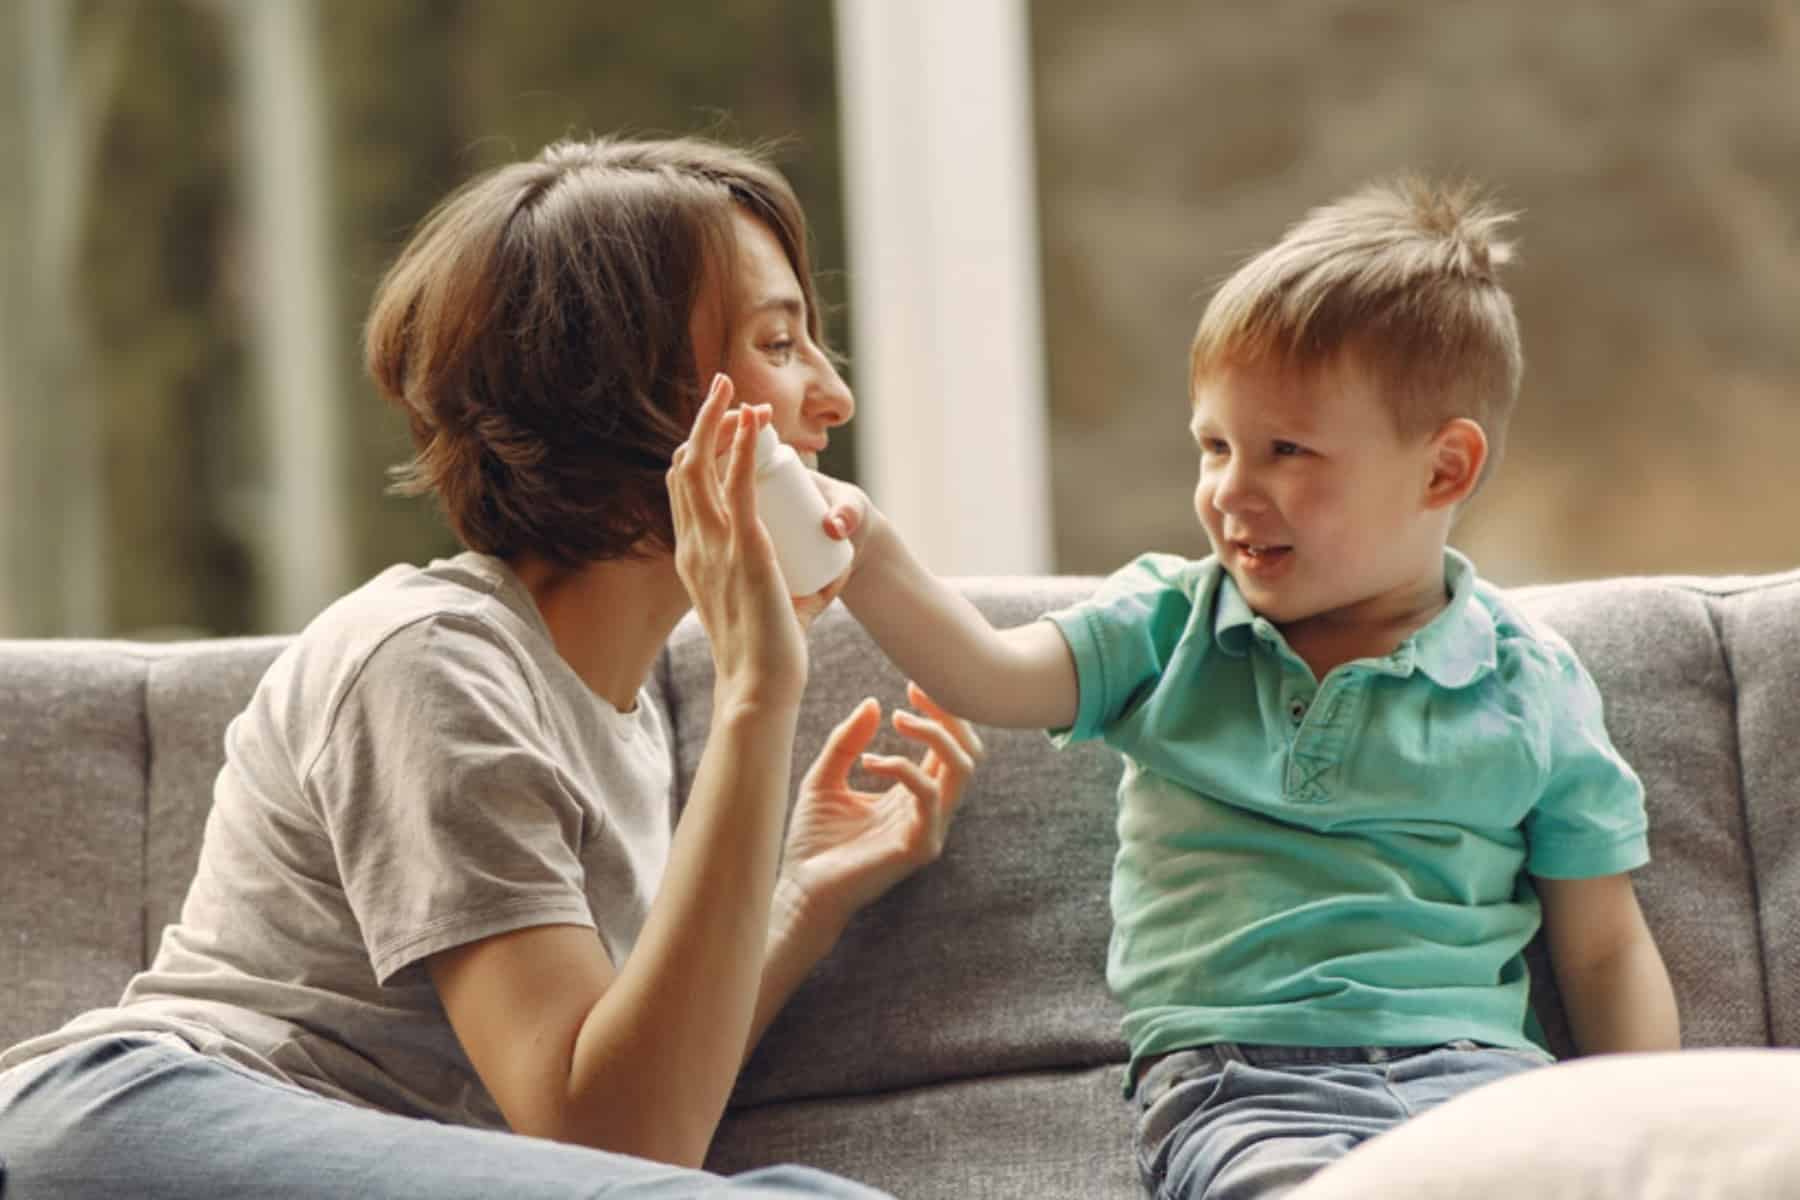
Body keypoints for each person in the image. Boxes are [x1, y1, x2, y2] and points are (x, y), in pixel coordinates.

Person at [0, 135, 982, 1198]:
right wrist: (757, 697)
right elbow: (613, 1145)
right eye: (780, 344)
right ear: (623, 391)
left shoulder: (621, 716)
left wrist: (802, 902)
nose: (832, 398)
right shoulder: (431, 662)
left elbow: (626, 1096)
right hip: (133, 1123)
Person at [816, 177, 1681, 1198]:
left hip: (1481, 1080)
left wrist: (1652, 1134)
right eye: (1215, 445)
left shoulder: (1529, 681)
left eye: (1287, 451)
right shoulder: (1167, 626)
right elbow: (988, 674)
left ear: (1444, 472)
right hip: (1242, 1085)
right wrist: (865, 549)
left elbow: (1605, 949)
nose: (1231, 490)